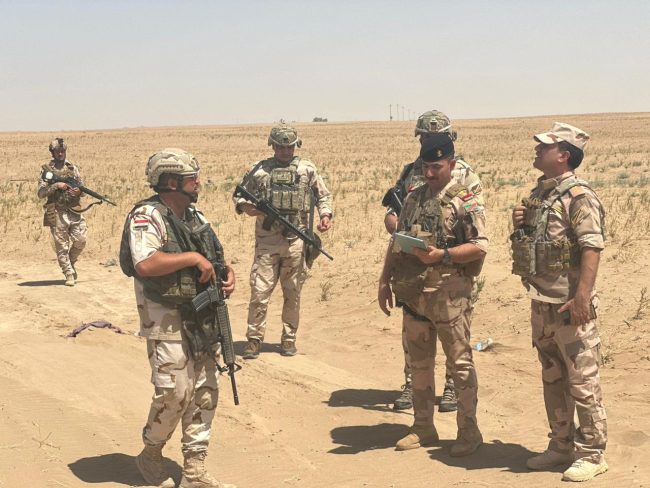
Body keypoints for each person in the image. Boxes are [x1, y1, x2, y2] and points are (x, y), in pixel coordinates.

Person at [120, 148, 236, 488]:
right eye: (191, 178)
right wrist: (192, 259)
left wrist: (226, 272)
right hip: (165, 317)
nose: (198, 182)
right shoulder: (147, 216)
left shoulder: (194, 217)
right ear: (171, 182)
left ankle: (195, 469)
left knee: (204, 391)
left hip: (202, 315)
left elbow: (213, 256)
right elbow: (145, 263)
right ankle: (151, 453)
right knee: (174, 392)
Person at [378, 133, 488, 456]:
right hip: (416, 295)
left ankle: (469, 431)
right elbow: (397, 240)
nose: (429, 173)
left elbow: (480, 246)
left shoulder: (465, 200)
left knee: (460, 365)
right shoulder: (413, 198)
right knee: (419, 365)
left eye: (436, 167)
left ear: (451, 164)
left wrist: (443, 255)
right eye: (426, 167)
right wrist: (384, 279)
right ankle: (423, 426)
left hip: (450, 297)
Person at [511, 123, 608, 482]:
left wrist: (582, 297)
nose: (537, 149)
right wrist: (520, 223)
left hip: (569, 305)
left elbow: (592, 247)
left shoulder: (578, 196)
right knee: (552, 376)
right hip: (542, 302)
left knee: (582, 380)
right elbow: (534, 244)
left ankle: (593, 453)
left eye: (545, 146)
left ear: (564, 155)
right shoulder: (540, 194)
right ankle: (561, 445)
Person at [234, 123, 333, 359]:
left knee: (292, 293)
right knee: (260, 292)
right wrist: (249, 208)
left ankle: (289, 339)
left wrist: (325, 216)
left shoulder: (307, 169)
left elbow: (323, 196)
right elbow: (238, 196)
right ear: (272, 146)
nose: (285, 152)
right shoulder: (259, 170)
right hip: (267, 242)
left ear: (296, 146)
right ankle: (254, 339)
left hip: (296, 240)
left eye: (290, 147)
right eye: (280, 147)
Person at [37, 138, 87, 286]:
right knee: (61, 245)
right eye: (57, 151)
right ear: (52, 152)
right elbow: (41, 193)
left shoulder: (72, 168)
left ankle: (70, 261)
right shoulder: (46, 170)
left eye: (62, 151)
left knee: (81, 240)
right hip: (57, 211)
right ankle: (68, 273)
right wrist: (56, 186)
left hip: (74, 210)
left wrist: (78, 192)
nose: (60, 153)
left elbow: (83, 189)